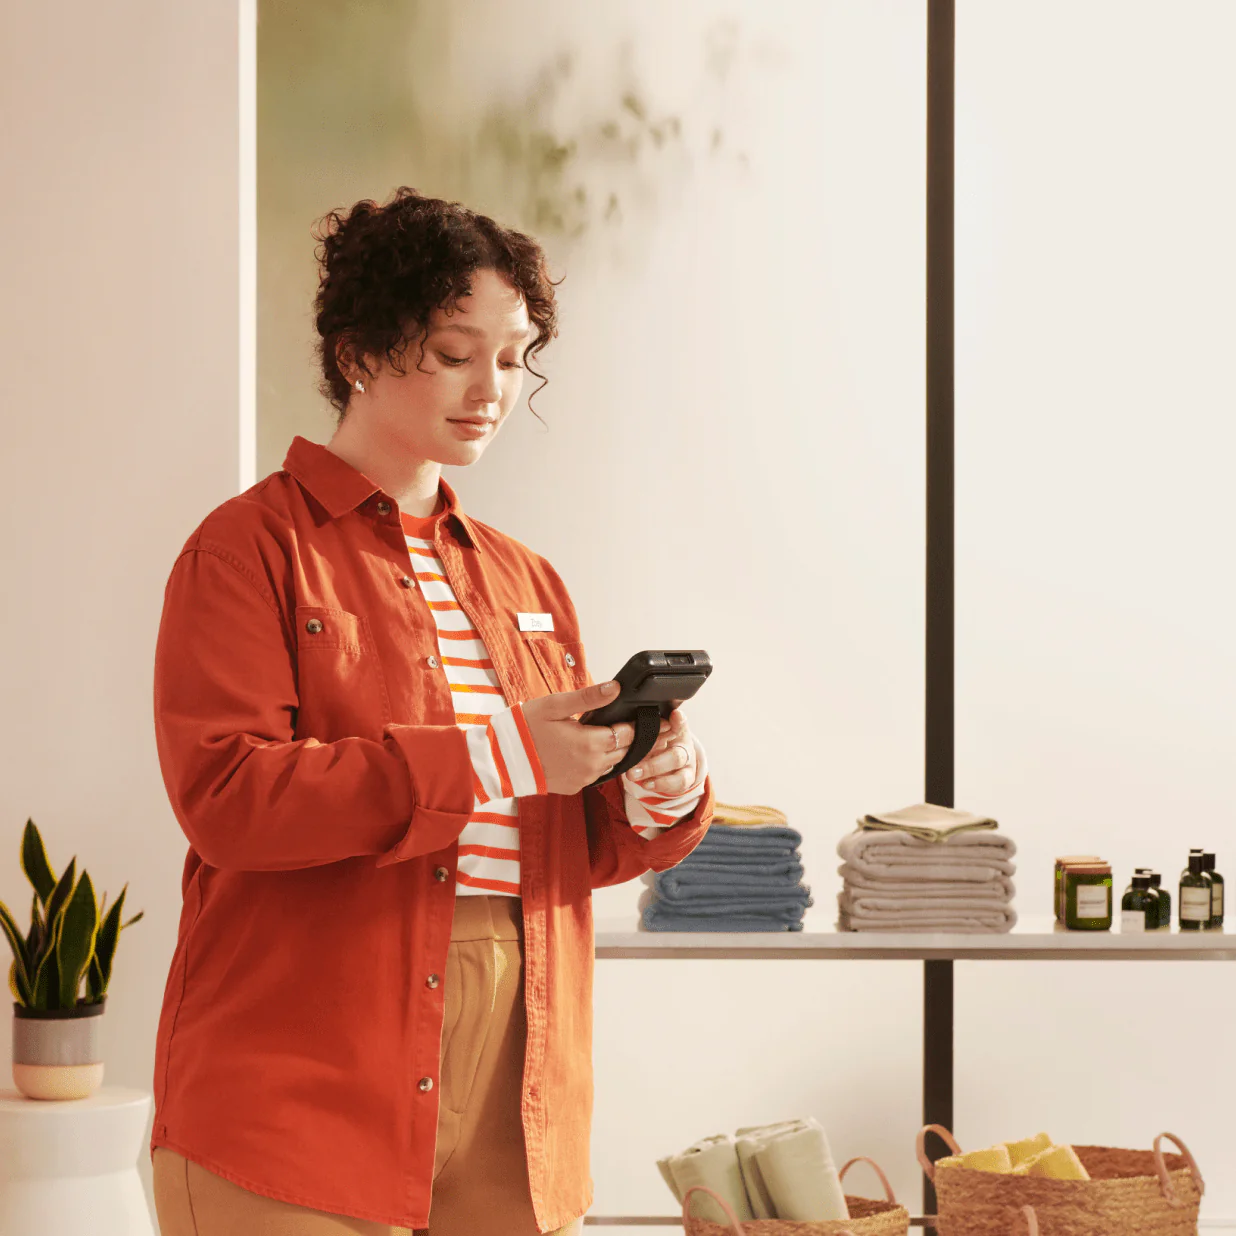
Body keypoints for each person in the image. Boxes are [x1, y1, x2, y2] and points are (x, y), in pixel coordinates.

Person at [148, 187, 715, 1236]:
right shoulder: (246, 550)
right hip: (301, 1078)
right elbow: (227, 799)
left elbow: (556, 839)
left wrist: (651, 790)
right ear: (361, 349)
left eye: (512, 356)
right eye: (456, 352)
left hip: (523, 1077)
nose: (491, 388)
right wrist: (496, 753)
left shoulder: (523, 577)